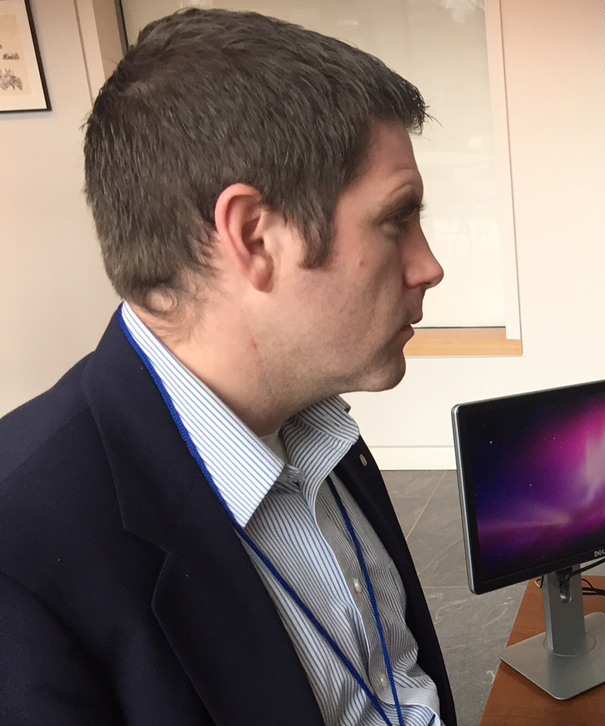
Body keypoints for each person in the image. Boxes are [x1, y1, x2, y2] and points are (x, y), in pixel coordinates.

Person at [0, 9, 456, 726]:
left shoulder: (319, 425)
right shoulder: (21, 559)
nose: (429, 267)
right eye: (397, 219)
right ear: (252, 237)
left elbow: (398, 684)